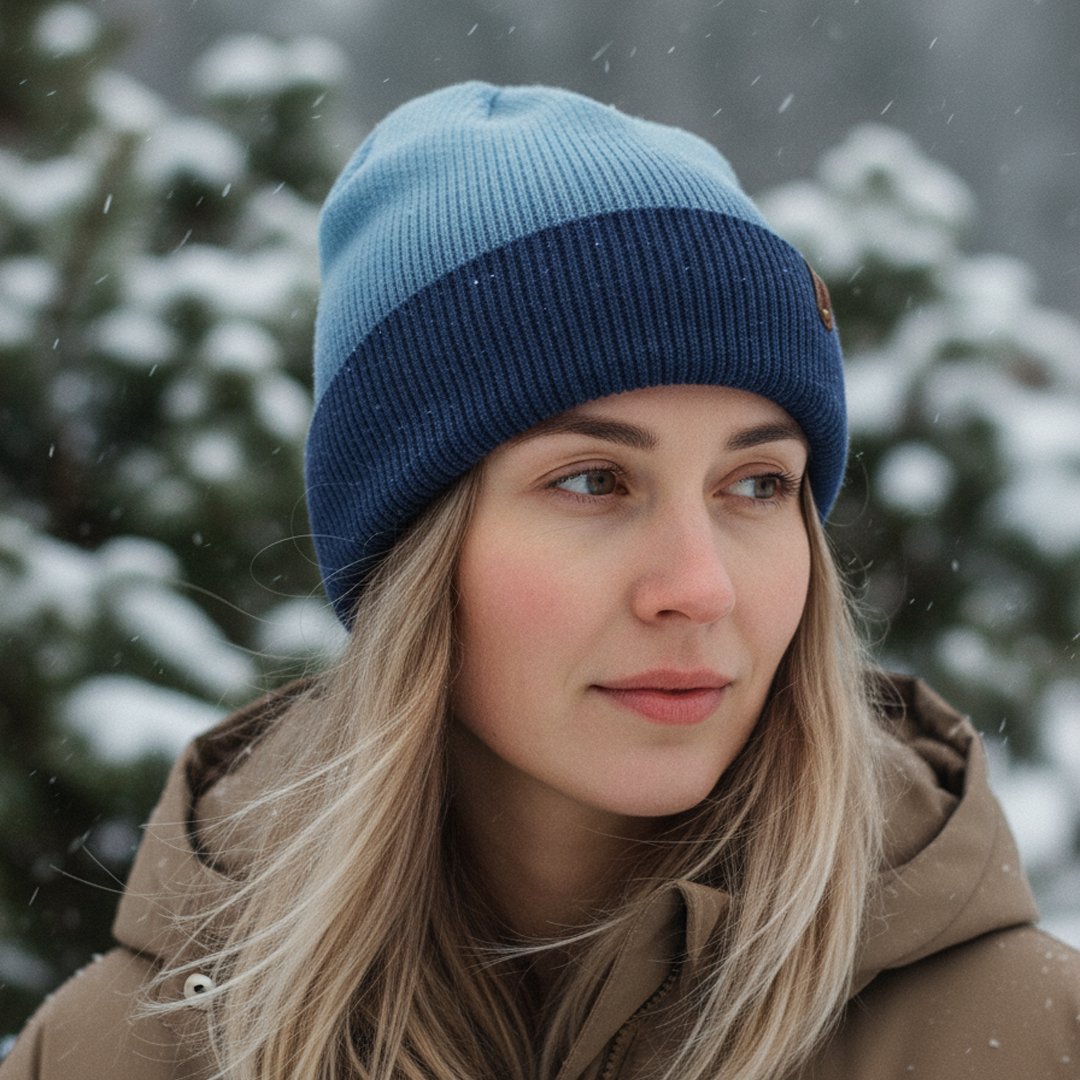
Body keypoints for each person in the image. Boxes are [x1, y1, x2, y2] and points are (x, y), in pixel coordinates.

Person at [2, 82, 1078, 1080]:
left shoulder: (1027, 1041)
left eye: (757, 485)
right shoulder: (120, 1056)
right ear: (410, 556)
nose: (698, 589)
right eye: (594, 480)